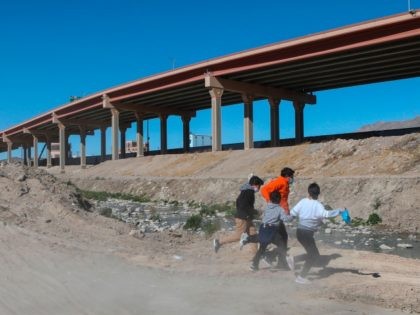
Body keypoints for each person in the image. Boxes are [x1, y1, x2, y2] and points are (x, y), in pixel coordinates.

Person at [287, 182, 345, 284]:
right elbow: (326, 214)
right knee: (313, 255)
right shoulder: (318, 205)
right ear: (318, 194)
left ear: (308, 192)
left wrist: (285, 220)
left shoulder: (302, 201)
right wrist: (339, 211)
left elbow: (292, 214)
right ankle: (301, 276)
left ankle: (294, 260)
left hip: (299, 232)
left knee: (314, 254)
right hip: (307, 234)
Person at [213, 175, 264, 254]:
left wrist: (251, 213)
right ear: (255, 185)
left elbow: (238, 202)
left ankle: (256, 255)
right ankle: (219, 242)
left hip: (245, 217)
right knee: (238, 236)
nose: (259, 188)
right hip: (243, 217)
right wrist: (253, 212)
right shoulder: (249, 192)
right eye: (259, 186)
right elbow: (244, 205)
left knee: (253, 234)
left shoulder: (245, 191)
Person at [250, 190, 293, 271]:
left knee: (262, 248)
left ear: (270, 199)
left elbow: (264, 216)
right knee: (282, 246)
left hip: (263, 229)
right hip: (272, 231)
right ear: (279, 199)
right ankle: (283, 263)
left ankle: (254, 265)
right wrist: (292, 216)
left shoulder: (267, 207)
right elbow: (285, 219)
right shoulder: (280, 209)